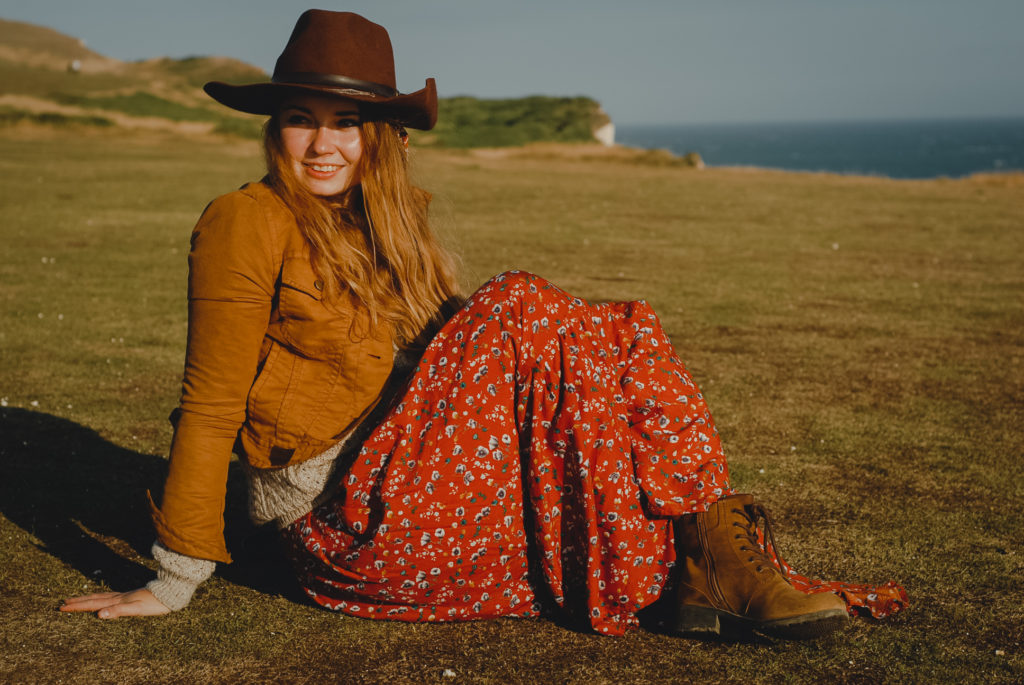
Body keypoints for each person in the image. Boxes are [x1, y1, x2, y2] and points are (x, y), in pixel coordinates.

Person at [61, 10, 906, 639]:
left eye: (346, 121)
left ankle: (708, 550)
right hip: (343, 524)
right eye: (300, 118)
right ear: (272, 127)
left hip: (415, 486)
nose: (323, 143)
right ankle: (713, 554)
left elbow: (459, 374)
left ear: (377, 133)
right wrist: (173, 576)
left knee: (620, 332)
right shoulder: (246, 220)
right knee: (525, 305)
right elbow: (209, 400)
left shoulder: (389, 222)